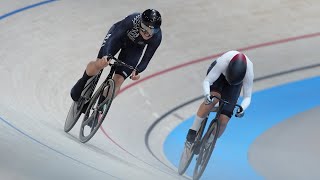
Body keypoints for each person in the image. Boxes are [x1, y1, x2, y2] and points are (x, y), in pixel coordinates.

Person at [70, 9, 162, 106]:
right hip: (118, 38)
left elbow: (147, 58)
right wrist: (106, 54)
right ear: (140, 23)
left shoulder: (157, 37)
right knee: (100, 64)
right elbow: (114, 38)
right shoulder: (132, 20)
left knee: (119, 80)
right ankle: (83, 80)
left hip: (134, 48)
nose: (149, 34)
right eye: (146, 29)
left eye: (153, 30)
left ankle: (99, 109)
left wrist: (138, 70)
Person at [186, 50, 254, 144]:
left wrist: (242, 108)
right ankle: (193, 129)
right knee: (213, 98)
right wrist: (207, 95)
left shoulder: (248, 72)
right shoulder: (224, 61)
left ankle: (209, 142)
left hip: (235, 85)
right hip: (219, 76)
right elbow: (207, 81)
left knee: (224, 120)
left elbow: (247, 97)